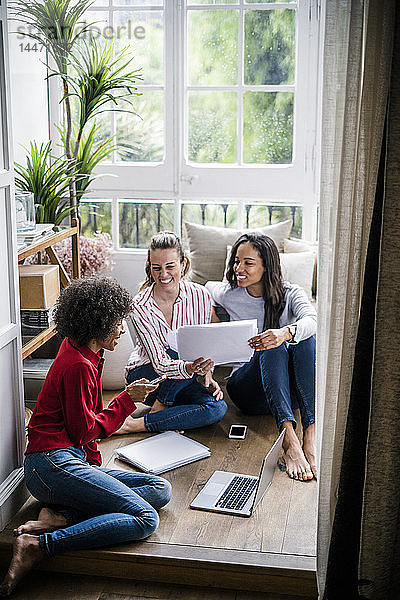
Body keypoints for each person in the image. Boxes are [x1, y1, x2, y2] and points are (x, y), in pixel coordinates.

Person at [0, 276, 171, 598]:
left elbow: (84, 429)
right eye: (119, 322)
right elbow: (86, 431)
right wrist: (127, 399)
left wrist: (92, 467)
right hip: (49, 465)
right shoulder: (78, 365)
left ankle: (61, 515)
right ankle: (38, 544)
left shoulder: (84, 352)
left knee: (160, 488)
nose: (122, 329)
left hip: (64, 462)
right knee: (146, 518)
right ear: (100, 323)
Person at [208, 233, 317, 481]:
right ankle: (289, 440)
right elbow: (204, 290)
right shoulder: (228, 293)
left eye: (248, 263)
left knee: (303, 338)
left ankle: (310, 435)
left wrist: (285, 332)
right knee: (269, 346)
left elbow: (313, 320)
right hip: (247, 389)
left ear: (266, 266)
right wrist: (213, 316)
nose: (239, 269)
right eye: (236, 261)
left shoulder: (291, 293)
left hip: (289, 395)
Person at [117, 231, 227, 436]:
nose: (163, 275)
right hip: (147, 377)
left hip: (184, 376)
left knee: (217, 408)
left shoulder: (201, 295)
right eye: (156, 268)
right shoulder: (139, 305)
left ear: (183, 264)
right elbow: (159, 363)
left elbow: (203, 346)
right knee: (182, 352)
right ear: (149, 267)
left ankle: (136, 424)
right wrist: (191, 368)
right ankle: (162, 407)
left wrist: (207, 374)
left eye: (170, 266)